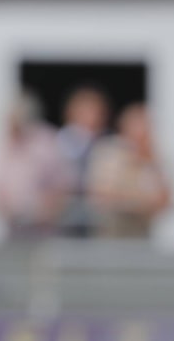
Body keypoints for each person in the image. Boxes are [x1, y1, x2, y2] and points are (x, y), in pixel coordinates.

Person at [0, 91, 73, 239]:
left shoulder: (46, 142)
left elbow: (61, 183)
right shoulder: (4, 147)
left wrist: (48, 207)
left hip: (43, 227)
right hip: (13, 226)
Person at [87, 103, 172, 238]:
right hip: (112, 235)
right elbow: (103, 195)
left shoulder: (155, 161)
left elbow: (165, 201)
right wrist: (143, 201)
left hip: (143, 236)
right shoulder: (109, 153)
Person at [55, 84, 110, 238]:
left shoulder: (108, 144)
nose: (92, 117)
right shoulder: (60, 143)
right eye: (86, 111)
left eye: (96, 112)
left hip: (98, 217)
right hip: (67, 214)